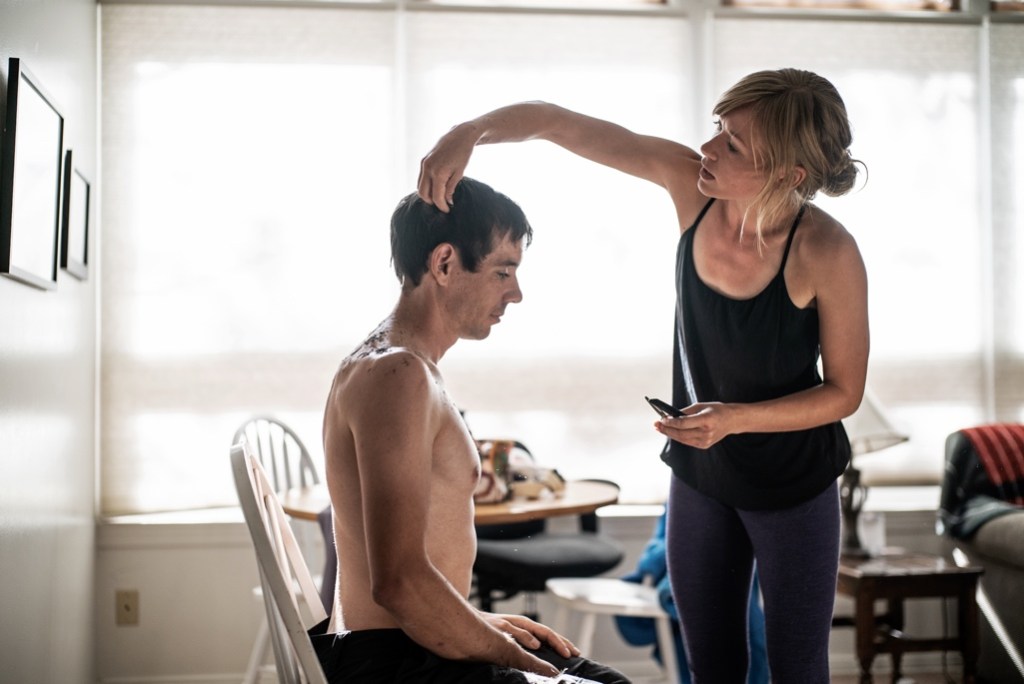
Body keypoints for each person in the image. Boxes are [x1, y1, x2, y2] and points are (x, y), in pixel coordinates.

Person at [417, 68, 869, 683]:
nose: (708, 148)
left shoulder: (827, 250)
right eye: (718, 129)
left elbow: (845, 392)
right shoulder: (693, 187)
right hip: (701, 478)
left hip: (793, 485)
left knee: (797, 669)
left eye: (733, 144)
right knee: (709, 666)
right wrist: (470, 131)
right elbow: (559, 122)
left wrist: (736, 420)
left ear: (788, 174)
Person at [316, 176, 630, 684]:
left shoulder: (396, 365)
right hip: (398, 666)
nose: (517, 293)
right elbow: (397, 583)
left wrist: (476, 624)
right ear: (444, 264)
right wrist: (514, 658)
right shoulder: (397, 374)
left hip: (408, 645)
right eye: (503, 271)